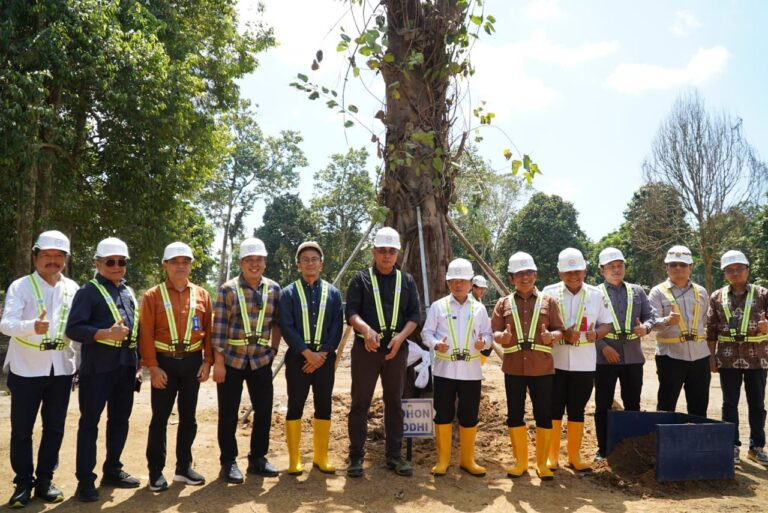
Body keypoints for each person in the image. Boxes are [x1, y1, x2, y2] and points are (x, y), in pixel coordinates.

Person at [0, 231, 80, 507]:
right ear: (35, 256)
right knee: (22, 429)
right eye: (46, 255)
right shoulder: (20, 286)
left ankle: (45, 479)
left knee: (54, 427)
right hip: (26, 369)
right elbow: (6, 324)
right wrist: (31, 326)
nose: (53, 261)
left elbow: (76, 331)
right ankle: (23, 483)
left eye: (59, 256)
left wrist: (78, 365)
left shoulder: (73, 288)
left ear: (66, 260)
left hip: (61, 369)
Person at [66, 237, 142, 502]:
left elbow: (135, 331)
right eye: (110, 261)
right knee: (90, 424)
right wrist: (103, 333)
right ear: (97, 263)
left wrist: (139, 364)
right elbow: (73, 328)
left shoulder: (127, 292)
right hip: (97, 370)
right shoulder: (88, 291)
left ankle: (113, 470)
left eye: (121, 261)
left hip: (125, 368)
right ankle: (85, 481)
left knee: (120, 421)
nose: (117, 266)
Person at [345, 227, 421, 478]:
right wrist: (366, 331)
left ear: (397, 253)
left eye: (391, 251)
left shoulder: (406, 281)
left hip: (396, 350)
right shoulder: (360, 279)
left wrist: (400, 339)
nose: (387, 256)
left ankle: (394, 456)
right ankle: (356, 456)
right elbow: (352, 313)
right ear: (374, 252)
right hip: (366, 349)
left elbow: (414, 316)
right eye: (382, 251)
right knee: (360, 403)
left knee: (394, 403)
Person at [139, 242, 214, 491]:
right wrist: (153, 366)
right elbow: (146, 334)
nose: (181, 266)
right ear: (165, 265)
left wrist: (207, 361)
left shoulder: (202, 295)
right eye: (175, 262)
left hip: (192, 362)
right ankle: (155, 472)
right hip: (165, 363)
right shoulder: (153, 295)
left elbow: (209, 332)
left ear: (191, 265)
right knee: (160, 418)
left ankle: (183, 467)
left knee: (189, 417)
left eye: (186, 261)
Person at [212, 237, 282, 484]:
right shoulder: (228, 290)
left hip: (261, 361)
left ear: (264, 262)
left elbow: (277, 324)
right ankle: (228, 462)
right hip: (232, 360)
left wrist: (273, 351)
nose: (255, 264)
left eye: (259, 260)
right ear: (241, 263)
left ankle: (258, 459)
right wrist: (218, 364)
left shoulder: (273, 289)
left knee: (263, 411)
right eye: (249, 260)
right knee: (228, 413)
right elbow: (218, 329)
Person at [492, 252, 564, 481]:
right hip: (513, 368)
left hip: (541, 368)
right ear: (512, 278)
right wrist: (500, 336)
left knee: (544, 414)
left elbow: (560, 330)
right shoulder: (503, 303)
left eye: (529, 273)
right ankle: (520, 463)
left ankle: (542, 465)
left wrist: (550, 336)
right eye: (520, 274)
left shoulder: (548, 301)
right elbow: (494, 331)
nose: (525, 278)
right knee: (515, 414)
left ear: (536, 275)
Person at [542, 248, 612, 471]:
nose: (573, 276)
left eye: (577, 271)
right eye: (568, 272)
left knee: (577, 408)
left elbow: (607, 324)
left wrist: (597, 334)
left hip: (584, 361)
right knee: (554, 408)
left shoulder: (596, 295)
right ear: (560, 273)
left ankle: (574, 455)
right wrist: (561, 333)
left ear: (585, 270)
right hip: (555, 361)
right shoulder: (549, 293)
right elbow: (542, 325)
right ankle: (552, 456)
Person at [422, 258, 492, 477]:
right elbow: (426, 332)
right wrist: (435, 344)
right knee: (443, 414)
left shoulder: (479, 309)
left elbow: (488, 335)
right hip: (445, 369)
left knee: (469, 415)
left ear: (471, 283)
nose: (458, 285)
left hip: (471, 370)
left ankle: (467, 460)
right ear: (448, 283)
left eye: (463, 281)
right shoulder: (438, 306)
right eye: (454, 281)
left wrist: (485, 344)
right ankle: (442, 460)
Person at [278, 241, 343, 475]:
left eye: (314, 259)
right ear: (298, 265)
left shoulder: (333, 293)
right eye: (305, 259)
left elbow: (337, 327)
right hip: (298, 359)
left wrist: (321, 355)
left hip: (325, 360)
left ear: (321, 264)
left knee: (323, 405)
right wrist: (307, 354)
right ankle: (295, 460)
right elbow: (286, 326)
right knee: (295, 404)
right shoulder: (288, 293)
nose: (310, 263)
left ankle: (320, 457)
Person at [706, 250, 768, 465]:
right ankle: (731, 446)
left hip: (757, 357)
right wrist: (711, 357)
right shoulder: (717, 296)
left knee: (757, 404)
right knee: (729, 403)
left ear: (747, 270)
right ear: (724, 273)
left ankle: (756, 447)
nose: (735, 273)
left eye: (739, 269)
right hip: (727, 357)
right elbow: (711, 328)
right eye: (730, 270)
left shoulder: (762, 294)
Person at [593, 247, 655, 460]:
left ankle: (631, 449)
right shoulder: (593, 293)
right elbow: (588, 326)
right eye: (611, 267)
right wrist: (603, 347)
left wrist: (645, 327)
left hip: (633, 356)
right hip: (604, 357)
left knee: (633, 404)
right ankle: (603, 449)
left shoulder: (637, 291)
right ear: (602, 270)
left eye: (620, 266)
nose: (616, 270)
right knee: (602, 404)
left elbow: (650, 316)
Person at [649, 245, 711, 418]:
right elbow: (651, 322)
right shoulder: (657, 292)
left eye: (683, 265)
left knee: (699, 405)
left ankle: (697, 442)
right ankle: (663, 441)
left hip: (699, 356)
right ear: (666, 267)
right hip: (670, 356)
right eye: (673, 264)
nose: (678, 268)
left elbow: (705, 319)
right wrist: (667, 321)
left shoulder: (701, 292)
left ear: (691, 267)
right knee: (667, 404)